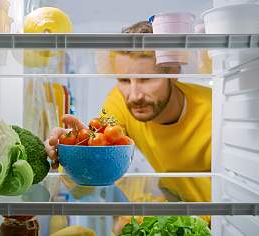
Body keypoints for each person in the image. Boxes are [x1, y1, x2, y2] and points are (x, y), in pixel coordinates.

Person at [45, 21, 211, 203]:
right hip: (178, 204)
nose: (134, 95)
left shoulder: (212, 110)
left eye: (146, 79)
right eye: (124, 80)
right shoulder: (119, 101)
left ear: (173, 71)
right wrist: (79, 149)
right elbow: (87, 184)